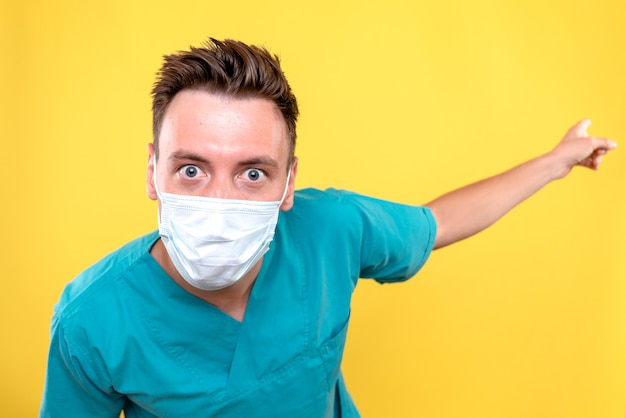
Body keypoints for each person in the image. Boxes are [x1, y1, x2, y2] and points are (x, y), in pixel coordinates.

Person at [39, 38, 617, 418]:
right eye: (191, 169)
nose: (218, 201)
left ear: (288, 184)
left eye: (252, 173)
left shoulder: (330, 230)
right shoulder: (91, 319)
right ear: (152, 171)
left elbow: (438, 222)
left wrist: (554, 161)